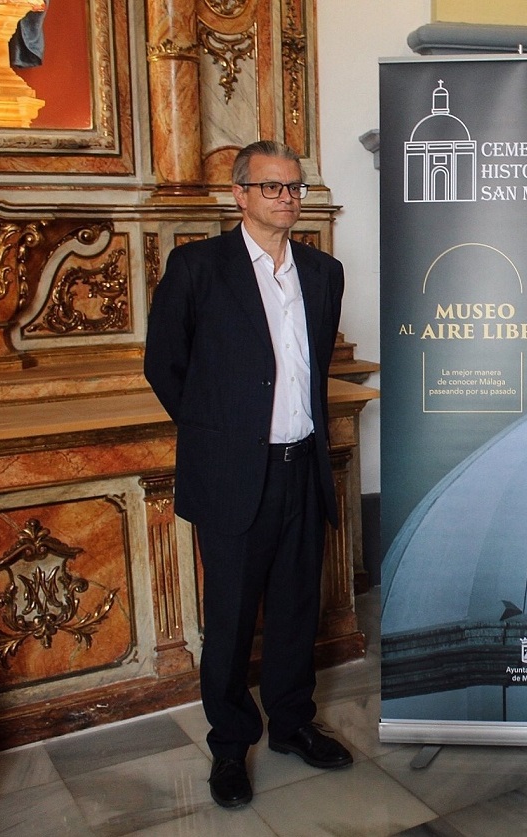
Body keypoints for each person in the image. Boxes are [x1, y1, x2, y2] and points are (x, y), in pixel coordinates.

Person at [145, 140, 352, 809]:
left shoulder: (323, 273)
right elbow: (164, 363)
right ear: (239, 194)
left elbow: (310, 371)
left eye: (293, 188)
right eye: (271, 188)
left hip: (302, 466)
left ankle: (292, 724)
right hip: (236, 473)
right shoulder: (198, 267)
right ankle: (230, 745)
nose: (286, 198)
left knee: (297, 608)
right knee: (231, 618)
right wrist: (219, 434)